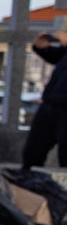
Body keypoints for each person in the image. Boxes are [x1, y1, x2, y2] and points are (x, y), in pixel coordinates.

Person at [22, 29, 67, 170]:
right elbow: (58, 57)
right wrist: (42, 48)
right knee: (33, 152)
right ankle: (29, 186)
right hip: (51, 104)